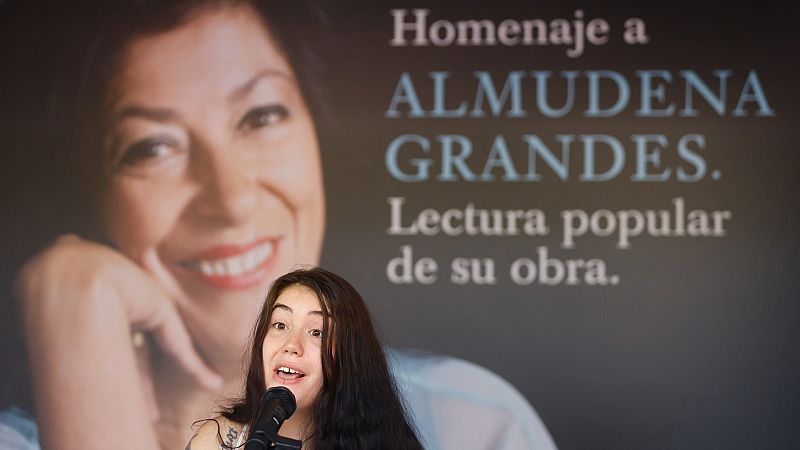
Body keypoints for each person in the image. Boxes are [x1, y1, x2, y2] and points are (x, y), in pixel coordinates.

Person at [0, 1, 557, 449]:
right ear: (89, 198)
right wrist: (75, 311)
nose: (233, 200)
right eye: (151, 148)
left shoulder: (474, 423)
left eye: (261, 115)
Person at [187, 266, 424, 450]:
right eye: (280, 325)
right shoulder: (218, 442)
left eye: (317, 332)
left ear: (349, 358)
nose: (291, 345)